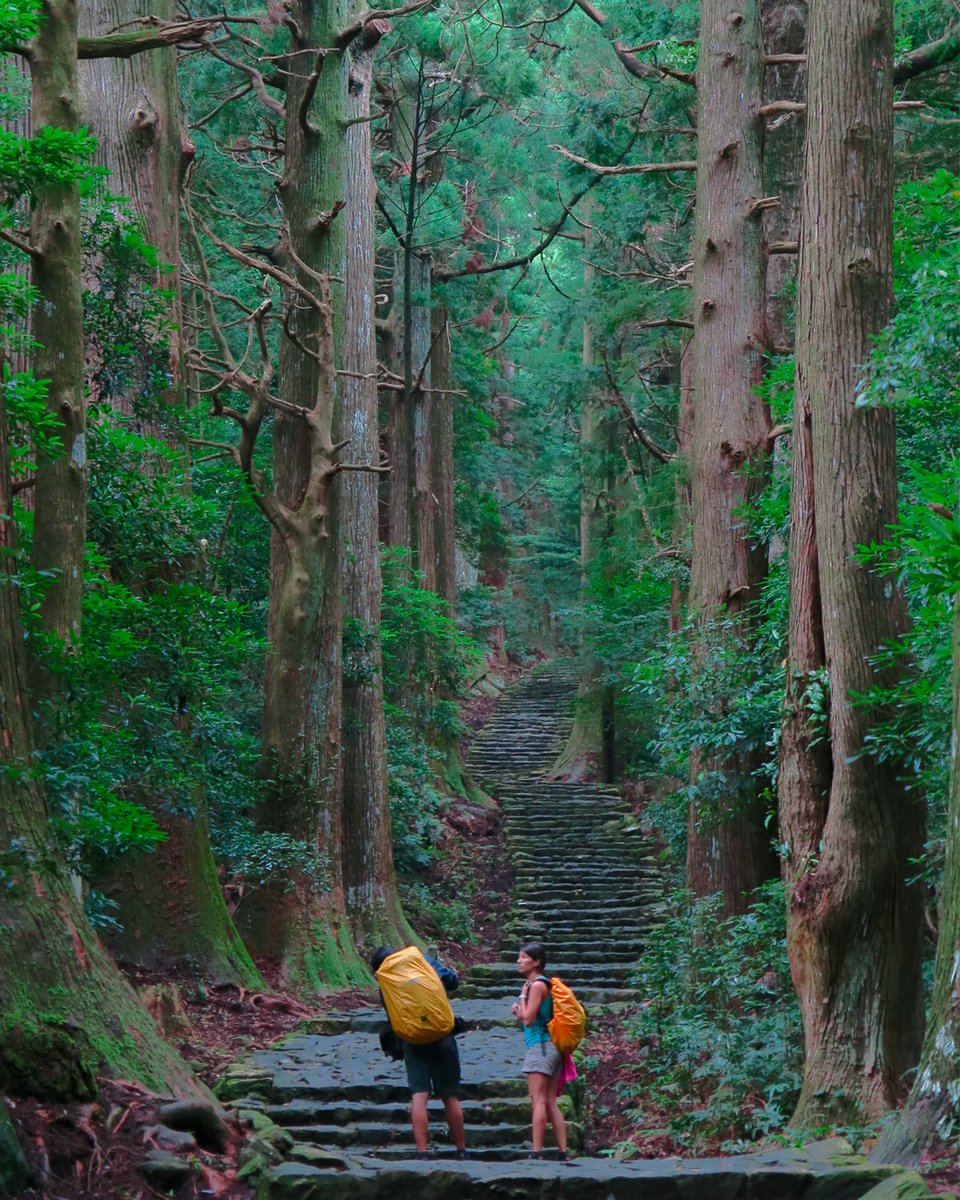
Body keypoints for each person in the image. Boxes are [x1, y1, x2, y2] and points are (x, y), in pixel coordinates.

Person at [371, 946, 467, 1161]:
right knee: (450, 1095)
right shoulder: (422, 961)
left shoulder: (385, 979)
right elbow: (452, 982)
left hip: (412, 1039)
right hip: (442, 1035)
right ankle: (461, 1150)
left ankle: (422, 1152)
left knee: (419, 1095)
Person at [512, 941, 569, 1161]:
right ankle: (563, 1151)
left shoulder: (536, 986)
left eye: (524, 957)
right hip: (552, 1047)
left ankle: (537, 1152)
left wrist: (523, 998)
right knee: (550, 1100)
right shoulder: (542, 984)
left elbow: (528, 1020)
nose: (519, 961)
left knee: (537, 1100)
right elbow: (529, 1017)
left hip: (541, 1047)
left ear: (536, 962)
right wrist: (522, 1011)